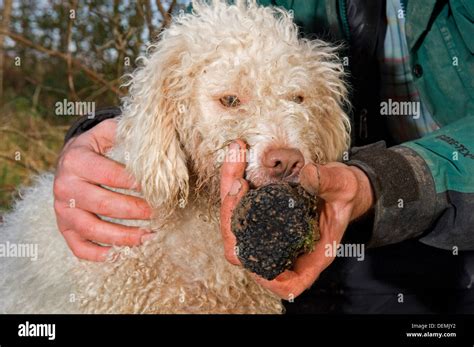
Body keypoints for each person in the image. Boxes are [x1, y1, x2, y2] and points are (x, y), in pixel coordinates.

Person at [53, 0, 474, 313]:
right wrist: (97, 133)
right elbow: (170, 71)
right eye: (230, 100)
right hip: (345, 239)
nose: (281, 149)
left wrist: (375, 181)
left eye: (296, 99)